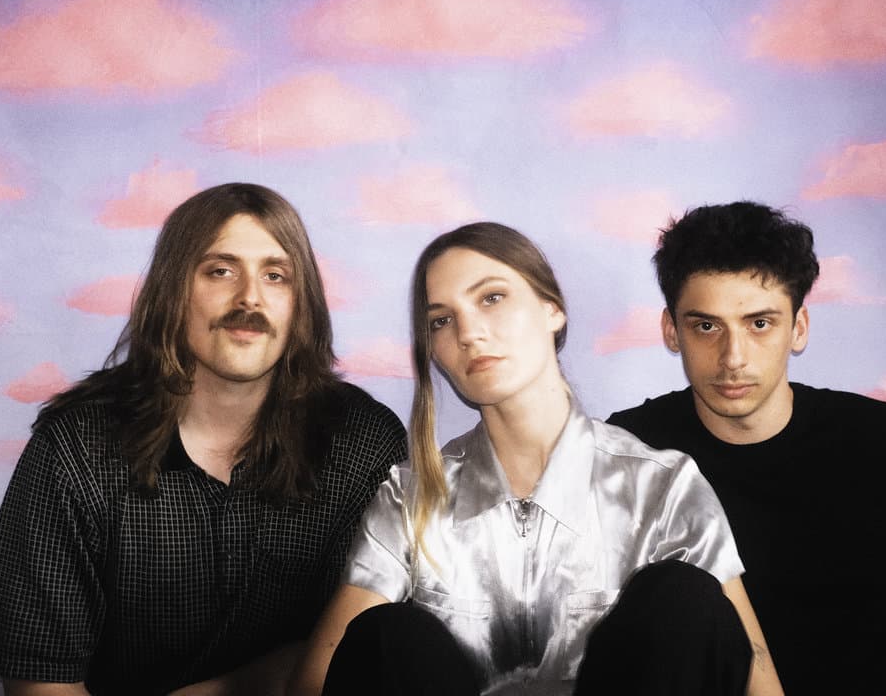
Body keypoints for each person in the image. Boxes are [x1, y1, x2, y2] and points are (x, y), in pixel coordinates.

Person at [290, 222, 784, 696]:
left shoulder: (663, 486)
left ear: (553, 310)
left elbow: (754, 675)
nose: (469, 332)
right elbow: (318, 680)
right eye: (442, 320)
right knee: (386, 634)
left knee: (683, 596)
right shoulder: (410, 496)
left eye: (491, 298)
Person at [0, 183, 407, 696]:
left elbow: (367, 653)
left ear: (300, 305)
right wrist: (268, 677)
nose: (250, 298)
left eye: (275, 275)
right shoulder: (79, 447)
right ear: (173, 292)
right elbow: (41, 684)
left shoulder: (363, 444)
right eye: (221, 271)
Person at [607, 201, 886, 695]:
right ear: (671, 331)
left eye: (759, 324)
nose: (733, 358)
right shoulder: (633, 452)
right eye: (706, 326)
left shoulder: (885, 439)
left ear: (799, 327)